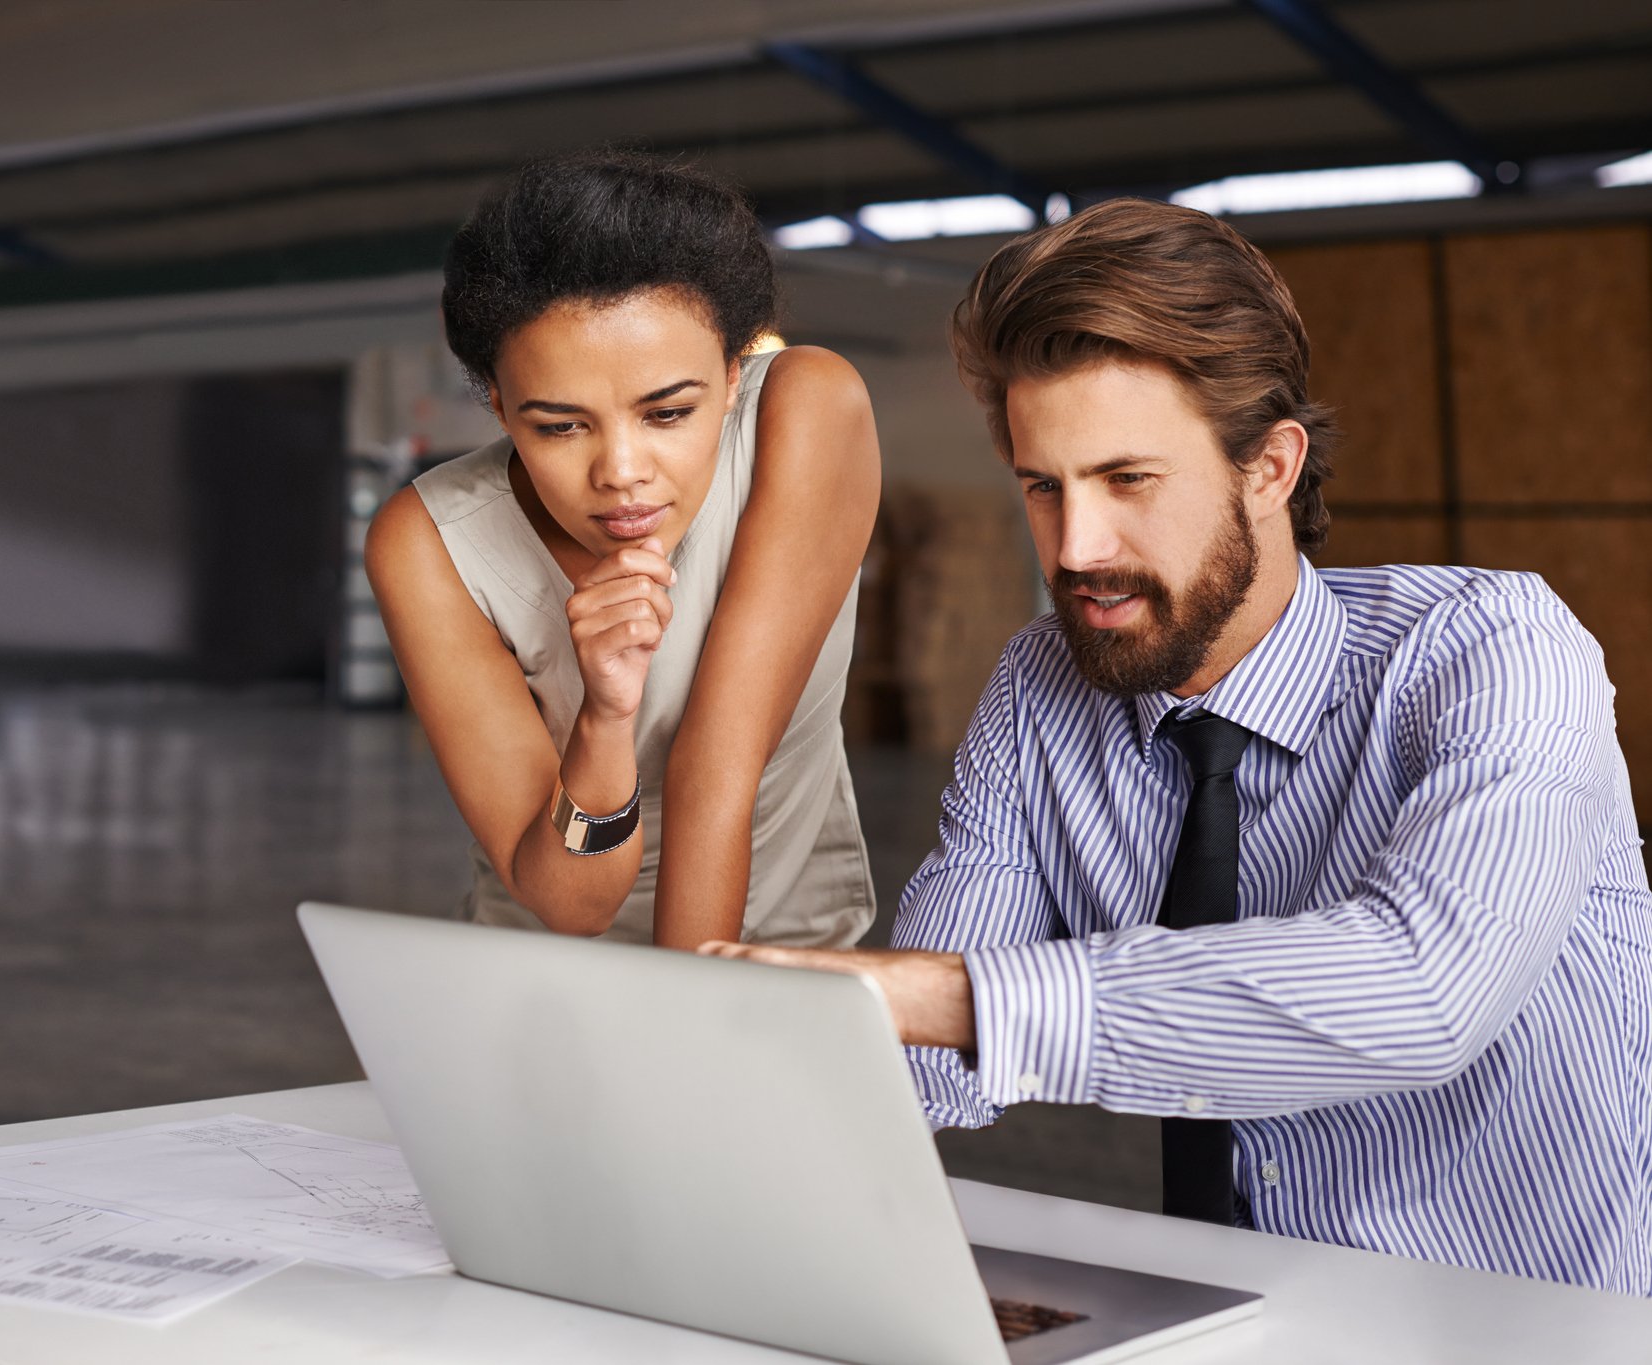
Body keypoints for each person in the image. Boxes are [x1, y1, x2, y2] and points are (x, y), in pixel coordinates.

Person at [702, 198, 1652, 1294]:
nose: (1076, 549)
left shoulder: (1496, 648)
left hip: (1537, 1324)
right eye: (1041, 487)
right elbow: (924, 1060)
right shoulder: (1040, 682)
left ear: (1271, 468)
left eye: (1128, 481)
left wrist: (948, 1001)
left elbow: (1428, 992)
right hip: (1240, 1311)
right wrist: (708, 1087)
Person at [367, 151, 881, 950]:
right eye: (559, 426)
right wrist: (604, 719)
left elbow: (715, 773)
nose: (621, 473)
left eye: (668, 413)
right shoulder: (428, 542)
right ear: (499, 406)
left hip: (775, 956)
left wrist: (677, 1035)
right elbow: (575, 906)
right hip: (544, 976)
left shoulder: (806, 408)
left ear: (733, 373)